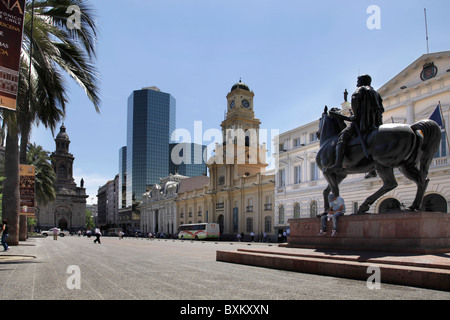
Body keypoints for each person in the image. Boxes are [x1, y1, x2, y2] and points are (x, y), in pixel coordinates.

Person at [328, 74, 384, 172]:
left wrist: (352, 117)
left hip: (361, 124)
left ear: (362, 81)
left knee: (342, 138)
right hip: (375, 124)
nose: (356, 83)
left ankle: (338, 164)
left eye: (358, 81)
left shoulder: (358, 91)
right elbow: (381, 109)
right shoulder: (376, 93)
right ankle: (372, 169)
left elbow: (355, 112)